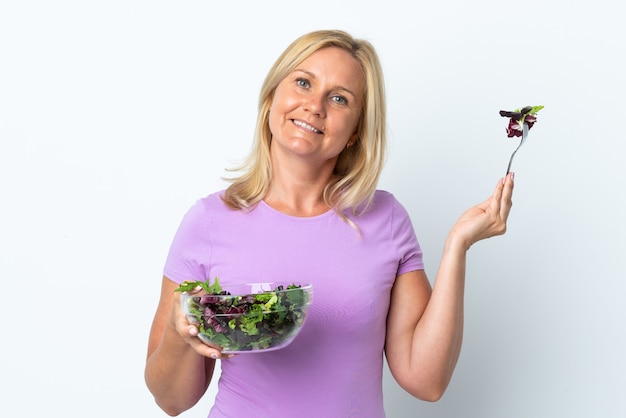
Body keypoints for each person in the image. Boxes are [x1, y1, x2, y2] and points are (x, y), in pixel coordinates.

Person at [144, 29, 514, 417]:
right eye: (303, 83)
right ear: (272, 97)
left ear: (356, 131)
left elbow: (427, 381)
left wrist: (458, 247)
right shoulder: (209, 222)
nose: (314, 106)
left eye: (339, 98)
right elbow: (171, 401)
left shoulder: (385, 219)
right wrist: (178, 330)